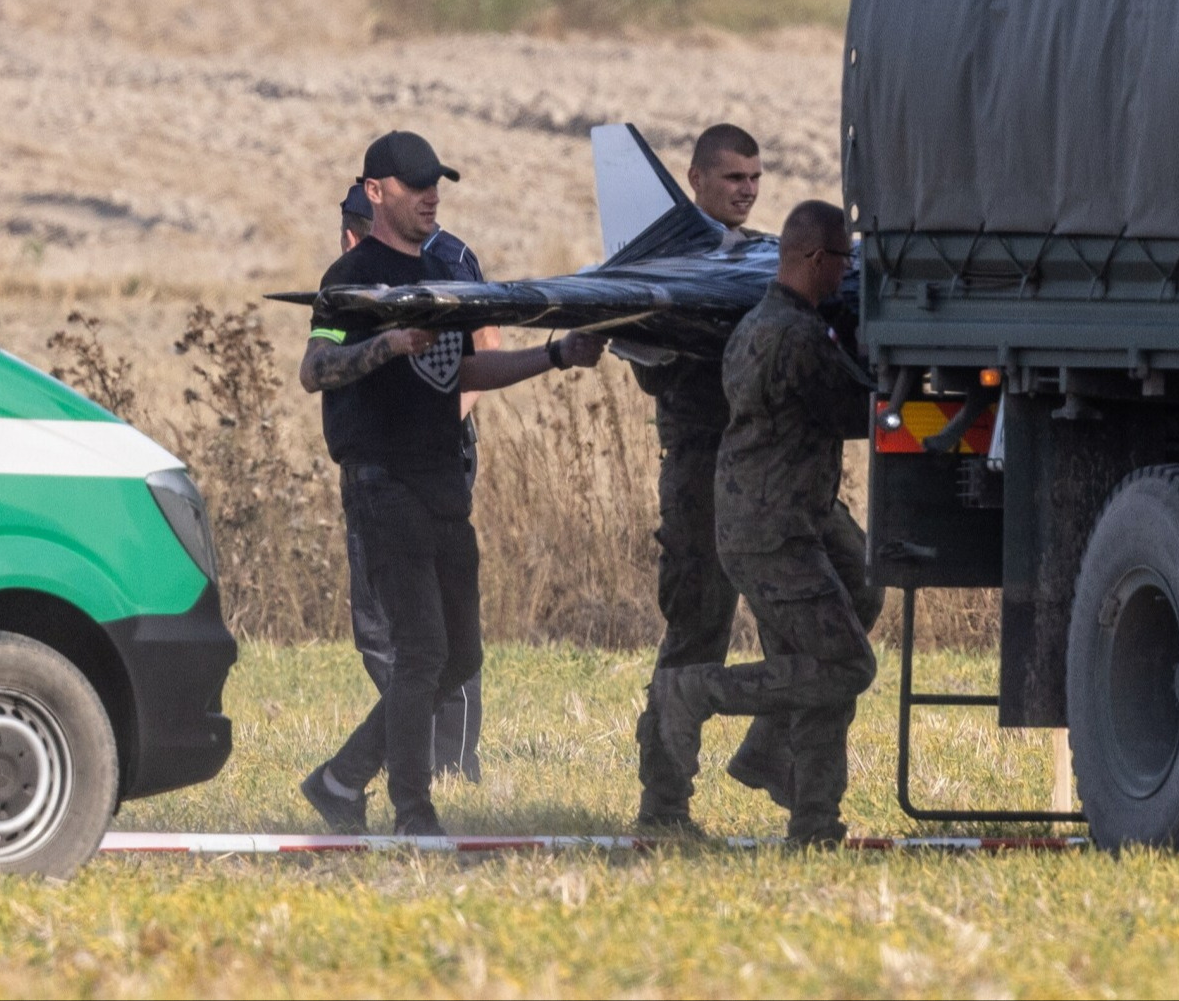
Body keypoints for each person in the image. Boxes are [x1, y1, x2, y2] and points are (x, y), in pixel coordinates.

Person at [299, 130, 606, 837]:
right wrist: (385, 343)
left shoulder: (447, 272)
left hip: (442, 480)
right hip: (382, 481)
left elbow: (462, 372)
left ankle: (341, 777)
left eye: (436, 181)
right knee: (422, 650)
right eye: (414, 184)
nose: (431, 195)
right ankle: (414, 810)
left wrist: (556, 354)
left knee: (461, 652)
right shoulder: (352, 281)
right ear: (376, 192)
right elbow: (316, 369)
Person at [647, 199, 884, 846]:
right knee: (844, 665)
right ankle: (697, 692)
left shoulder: (760, 323)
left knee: (853, 601)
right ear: (815, 259)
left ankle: (808, 812)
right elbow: (855, 411)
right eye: (842, 261)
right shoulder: (796, 338)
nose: (846, 274)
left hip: (788, 516)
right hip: (773, 528)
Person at [630, 123, 793, 832]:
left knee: (828, 610)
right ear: (694, 178)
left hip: (769, 467)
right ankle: (664, 804)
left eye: (755, 178)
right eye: (733, 179)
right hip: (701, 469)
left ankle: (768, 749)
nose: (748, 191)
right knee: (700, 629)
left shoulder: (753, 257)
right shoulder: (672, 261)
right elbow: (644, 360)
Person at [338, 183, 501, 784]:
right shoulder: (364, 273)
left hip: (432, 462)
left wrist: (428, 427)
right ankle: (408, 757)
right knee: (387, 627)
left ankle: (448, 763)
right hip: (383, 462)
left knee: (431, 630)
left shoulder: (450, 262)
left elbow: (485, 353)